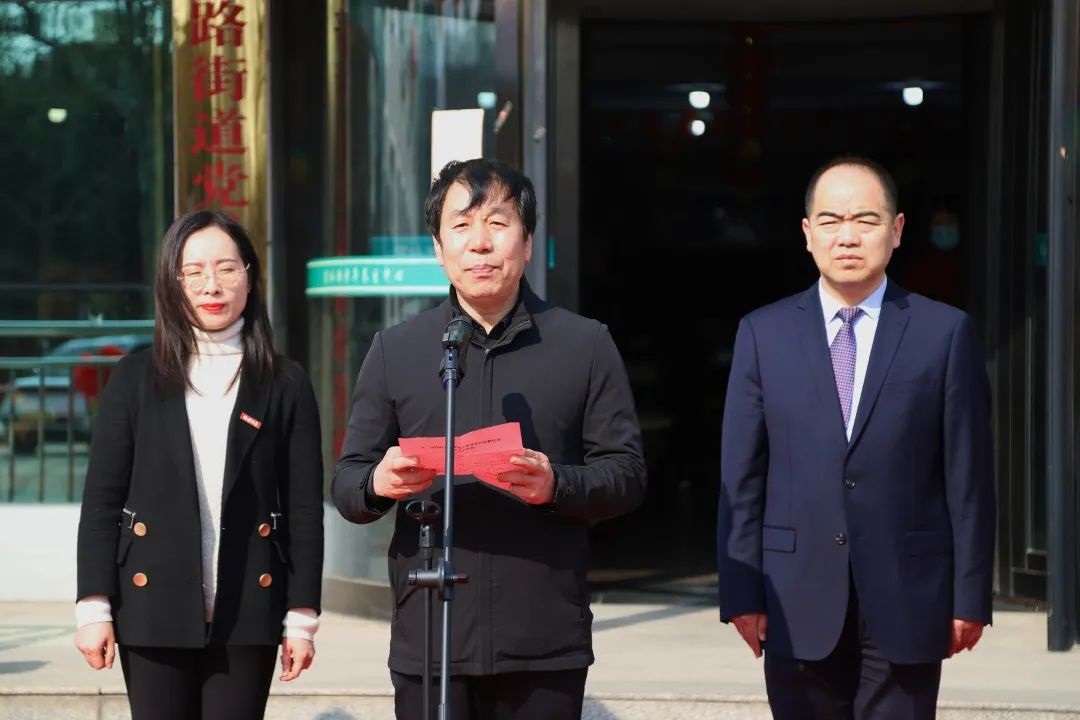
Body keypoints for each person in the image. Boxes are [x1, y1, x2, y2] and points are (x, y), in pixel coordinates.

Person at [332, 158, 646, 719]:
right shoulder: (396, 350)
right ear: (438, 248)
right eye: (461, 226)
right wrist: (379, 482)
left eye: (498, 224)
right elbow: (347, 485)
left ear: (526, 243)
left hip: (544, 639)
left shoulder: (585, 345)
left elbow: (626, 475)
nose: (480, 243)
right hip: (431, 633)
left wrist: (556, 485)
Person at [716, 156, 995, 719]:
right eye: (831, 220)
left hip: (909, 593)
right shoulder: (763, 333)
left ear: (896, 230)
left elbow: (968, 478)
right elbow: (741, 477)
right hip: (793, 594)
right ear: (807, 233)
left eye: (866, 220)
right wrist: (740, 591)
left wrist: (970, 595)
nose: (847, 236)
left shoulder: (943, 333)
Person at [74, 210, 325, 720]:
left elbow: (303, 509)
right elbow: (102, 503)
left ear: (250, 277)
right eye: (194, 272)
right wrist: (94, 606)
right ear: (172, 283)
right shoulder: (135, 378)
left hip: (249, 608)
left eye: (227, 268)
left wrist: (301, 617)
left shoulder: (285, 382)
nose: (212, 285)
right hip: (151, 605)